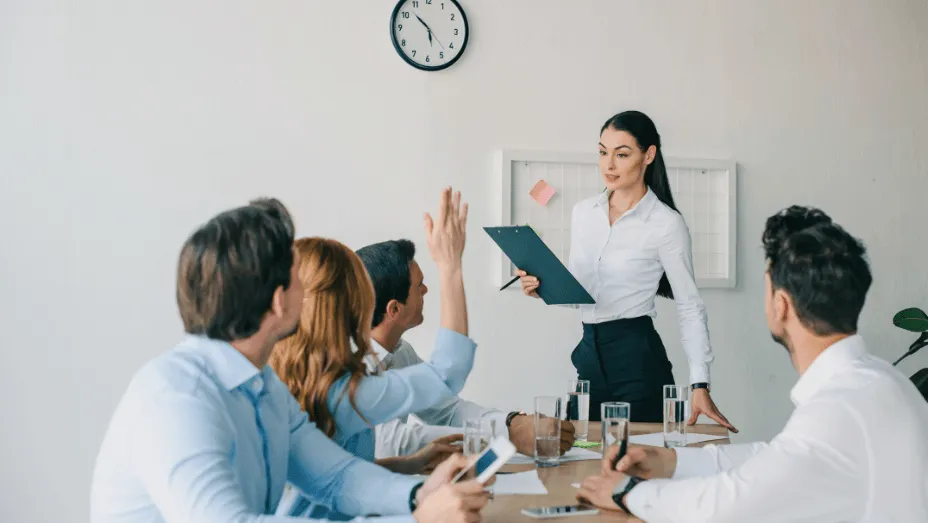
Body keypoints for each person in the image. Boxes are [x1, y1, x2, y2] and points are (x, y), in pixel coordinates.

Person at [89, 196, 489, 523]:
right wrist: (419, 517)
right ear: (280, 300)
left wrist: (419, 495)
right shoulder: (177, 398)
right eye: (300, 275)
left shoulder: (263, 386)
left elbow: (334, 476)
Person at [575, 205, 928, 522]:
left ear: (781, 305)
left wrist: (626, 492)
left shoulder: (838, 409)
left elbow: (725, 505)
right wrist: (671, 461)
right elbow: (777, 459)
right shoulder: (880, 382)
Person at [516, 110, 735, 429]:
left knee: (641, 467)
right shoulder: (583, 213)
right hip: (589, 357)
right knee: (580, 458)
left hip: (638, 361)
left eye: (622, 154)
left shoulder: (666, 224)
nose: (609, 164)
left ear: (649, 155)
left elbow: (690, 306)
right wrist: (543, 289)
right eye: (603, 152)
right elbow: (584, 297)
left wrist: (700, 384)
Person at [270, 189, 480, 518]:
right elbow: (447, 372)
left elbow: (335, 477)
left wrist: (411, 465)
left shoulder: (301, 377)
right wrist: (450, 266)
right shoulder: (340, 392)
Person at [355, 239, 576, 460]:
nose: (426, 289)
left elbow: (447, 411)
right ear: (394, 309)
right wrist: (509, 436)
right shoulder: (352, 364)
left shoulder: (401, 351)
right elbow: (390, 444)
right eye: (418, 285)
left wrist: (513, 422)